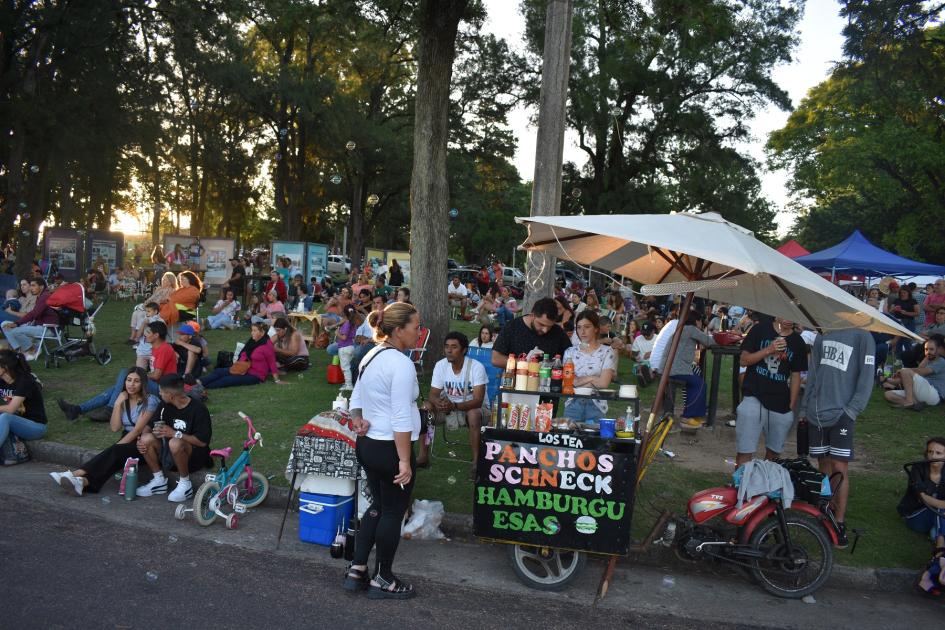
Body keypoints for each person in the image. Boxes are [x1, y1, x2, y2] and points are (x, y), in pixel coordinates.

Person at [343, 302, 421, 599]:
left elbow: (357, 396)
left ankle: (357, 569)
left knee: (377, 506)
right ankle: (383, 578)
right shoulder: (400, 363)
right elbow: (401, 416)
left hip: (368, 445)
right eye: (415, 326)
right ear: (399, 330)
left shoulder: (371, 354)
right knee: (392, 511)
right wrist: (404, 460)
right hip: (390, 448)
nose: (419, 332)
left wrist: (356, 418)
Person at [801, 327, 875, 548]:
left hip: (842, 414)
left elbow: (867, 376)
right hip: (816, 412)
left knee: (839, 467)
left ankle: (839, 521)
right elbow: (813, 372)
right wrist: (806, 408)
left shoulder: (863, 336)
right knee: (823, 465)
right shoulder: (823, 332)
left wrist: (852, 410)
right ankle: (825, 511)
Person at [49, 368, 159, 495]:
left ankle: (75, 474)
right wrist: (117, 404)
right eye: (129, 380)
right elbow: (115, 427)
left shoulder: (150, 401)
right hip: (127, 437)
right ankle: (82, 482)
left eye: (136, 381)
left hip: (142, 442)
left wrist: (117, 447)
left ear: (143, 384)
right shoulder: (124, 400)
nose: (131, 384)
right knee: (111, 460)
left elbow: (137, 430)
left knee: (113, 453)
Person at [60, 321, 177, 422]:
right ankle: (77, 409)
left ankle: (110, 409)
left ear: (156, 335)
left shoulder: (164, 349)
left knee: (126, 375)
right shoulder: (156, 348)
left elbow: (156, 375)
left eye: (148, 332)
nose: (144, 335)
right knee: (118, 387)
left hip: (163, 389)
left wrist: (139, 374)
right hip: (157, 385)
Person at [734, 316, 807, 466]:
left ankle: (766, 485)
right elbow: (743, 360)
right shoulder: (760, 329)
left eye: (792, 314)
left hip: (781, 402)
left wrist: (791, 406)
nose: (788, 317)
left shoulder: (798, 342)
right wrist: (769, 350)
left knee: (774, 454)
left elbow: (795, 375)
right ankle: (740, 486)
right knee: (745, 450)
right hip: (754, 395)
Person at [134, 374, 212, 501]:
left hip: (193, 457)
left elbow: (202, 442)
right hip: (169, 453)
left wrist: (175, 433)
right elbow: (149, 425)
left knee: (175, 442)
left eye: (161, 392)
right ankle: (159, 480)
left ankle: (185, 484)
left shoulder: (198, 409)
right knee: (146, 439)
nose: (159, 394)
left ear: (170, 395)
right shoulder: (165, 405)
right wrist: (141, 439)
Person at [427, 332, 489, 464]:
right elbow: (432, 394)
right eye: (446, 346)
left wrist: (454, 406)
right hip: (449, 408)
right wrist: (438, 402)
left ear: (464, 349)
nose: (449, 350)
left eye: (454, 347)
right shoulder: (441, 365)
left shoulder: (476, 367)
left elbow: (478, 401)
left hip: (475, 409)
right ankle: (423, 456)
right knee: (426, 408)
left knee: (473, 414)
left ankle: (476, 463)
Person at [659, 310, 715, 430]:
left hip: (667, 367)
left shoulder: (681, 329)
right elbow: (709, 342)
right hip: (675, 369)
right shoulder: (691, 329)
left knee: (695, 380)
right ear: (697, 321)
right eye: (700, 321)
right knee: (700, 384)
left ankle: (694, 414)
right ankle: (688, 417)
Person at [190, 322, 285, 392]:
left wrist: (277, 380)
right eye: (252, 330)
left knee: (226, 380)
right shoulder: (253, 341)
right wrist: (240, 365)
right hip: (243, 369)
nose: (252, 333)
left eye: (255, 331)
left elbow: (272, 363)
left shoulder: (267, 345)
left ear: (262, 332)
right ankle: (197, 382)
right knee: (219, 371)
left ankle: (201, 387)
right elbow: (244, 353)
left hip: (255, 375)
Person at [562, 311, 617, 422]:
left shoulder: (607, 352)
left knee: (594, 438)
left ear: (596, 328)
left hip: (596, 404)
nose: (582, 331)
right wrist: (592, 378)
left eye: (587, 327)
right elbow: (566, 383)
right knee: (570, 437)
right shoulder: (570, 352)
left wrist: (577, 381)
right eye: (579, 327)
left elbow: (603, 383)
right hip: (573, 403)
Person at [491, 297, 572, 369]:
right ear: (532, 315)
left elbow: (571, 358)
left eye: (549, 326)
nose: (545, 330)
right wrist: (525, 363)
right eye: (541, 324)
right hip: (518, 382)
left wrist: (552, 364)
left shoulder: (558, 332)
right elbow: (496, 359)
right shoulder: (512, 327)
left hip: (547, 383)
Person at [0, 349, 47, 453]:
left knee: (6, 417)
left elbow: (11, 409)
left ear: (6, 367)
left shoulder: (25, 381)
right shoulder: (2, 381)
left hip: (35, 427)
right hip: (16, 421)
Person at [898, 437, 945, 539]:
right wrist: (943, 505)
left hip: (938, 513)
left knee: (940, 516)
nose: (933, 456)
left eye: (938, 453)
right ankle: (940, 547)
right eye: (930, 452)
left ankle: (936, 532)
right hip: (915, 515)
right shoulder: (918, 468)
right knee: (941, 509)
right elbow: (922, 497)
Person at [1, 277, 57, 360]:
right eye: (30, 286)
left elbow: (33, 314)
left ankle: (33, 349)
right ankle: (20, 351)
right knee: (7, 327)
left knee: (14, 330)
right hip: (39, 326)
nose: (31, 288)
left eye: (33, 286)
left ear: (41, 287)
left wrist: (17, 323)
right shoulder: (41, 296)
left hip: (47, 328)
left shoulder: (44, 297)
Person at [883, 339, 945, 410]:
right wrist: (927, 357)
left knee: (905, 371)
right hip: (922, 392)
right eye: (926, 349)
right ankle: (914, 404)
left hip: (935, 395)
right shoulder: (928, 361)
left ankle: (909, 402)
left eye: (931, 349)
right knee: (888, 394)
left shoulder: (941, 361)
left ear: (938, 350)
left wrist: (903, 371)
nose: (928, 352)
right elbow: (919, 369)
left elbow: (923, 372)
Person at [129, 271, 178, 342]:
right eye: (163, 279)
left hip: (156, 309)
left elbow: (166, 301)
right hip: (150, 306)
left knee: (140, 315)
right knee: (135, 313)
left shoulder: (172, 291)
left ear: (171, 282)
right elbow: (152, 297)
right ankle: (132, 336)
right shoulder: (159, 289)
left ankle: (138, 338)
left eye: (166, 280)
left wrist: (155, 303)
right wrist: (146, 303)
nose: (164, 281)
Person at [336, 304, 359, 390]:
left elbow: (344, 337)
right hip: (351, 346)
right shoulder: (353, 323)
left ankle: (348, 385)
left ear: (345, 314)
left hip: (344, 348)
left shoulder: (347, 323)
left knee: (345, 368)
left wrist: (337, 334)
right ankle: (348, 383)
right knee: (348, 366)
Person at [629, 321, 657, 386]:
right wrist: (635, 357)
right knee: (640, 367)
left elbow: (664, 353)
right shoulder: (638, 339)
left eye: (647, 334)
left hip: (654, 362)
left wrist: (652, 353)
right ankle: (646, 377)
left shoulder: (658, 339)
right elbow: (633, 355)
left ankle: (646, 377)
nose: (645, 336)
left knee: (651, 367)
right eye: (644, 334)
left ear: (653, 331)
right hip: (641, 362)